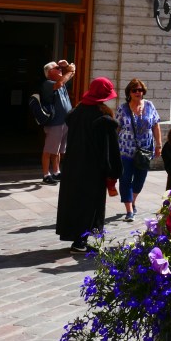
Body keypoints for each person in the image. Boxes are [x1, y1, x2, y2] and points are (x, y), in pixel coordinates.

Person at [56, 77, 122, 254]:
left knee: (75, 202)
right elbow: (110, 148)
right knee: (89, 205)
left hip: (73, 165)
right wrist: (114, 171)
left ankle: (80, 240)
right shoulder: (102, 118)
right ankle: (79, 242)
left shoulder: (76, 112)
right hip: (92, 169)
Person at [115, 79, 161, 222]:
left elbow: (155, 125)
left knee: (140, 179)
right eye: (134, 90)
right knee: (125, 179)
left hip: (145, 150)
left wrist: (159, 145)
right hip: (125, 150)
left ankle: (133, 200)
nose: (137, 92)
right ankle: (129, 210)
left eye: (140, 90)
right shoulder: (122, 108)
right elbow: (117, 128)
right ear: (129, 92)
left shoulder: (150, 106)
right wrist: (112, 147)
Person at [40, 60, 76, 184]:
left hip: (64, 122)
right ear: (49, 72)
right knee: (49, 150)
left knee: (58, 150)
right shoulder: (48, 83)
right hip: (55, 123)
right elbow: (62, 81)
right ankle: (46, 175)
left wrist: (68, 67)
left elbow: (71, 74)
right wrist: (70, 70)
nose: (60, 69)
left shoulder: (61, 82)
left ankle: (56, 172)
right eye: (57, 68)